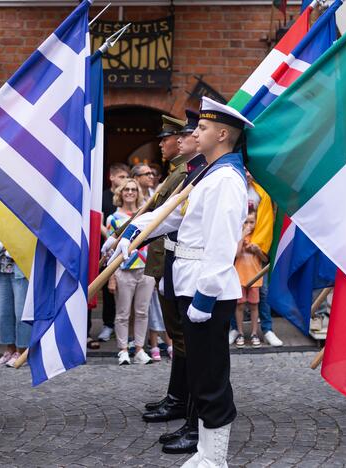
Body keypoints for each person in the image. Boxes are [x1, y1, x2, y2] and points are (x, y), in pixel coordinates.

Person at [110, 97, 252, 466]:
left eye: (203, 128)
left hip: (207, 289)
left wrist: (204, 298)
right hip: (191, 283)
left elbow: (221, 246)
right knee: (203, 377)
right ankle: (205, 452)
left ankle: (214, 458)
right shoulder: (208, 173)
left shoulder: (224, 179)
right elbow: (172, 217)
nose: (196, 133)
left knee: (211, 379)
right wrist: (134, 233)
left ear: (223, 134)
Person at [229, 170, 281, 347]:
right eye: (244, 169)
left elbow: (266, 220)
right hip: (237, 247)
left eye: (251, 169)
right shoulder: (232, 190)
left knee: (262, 295)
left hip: (257, 251)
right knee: (234, 297)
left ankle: (266, 329)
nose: (248, 173)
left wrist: (258, 245)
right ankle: (235, 329)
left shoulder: (261, 193)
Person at [107, 178, 156, 365]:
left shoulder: (145, 214)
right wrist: (111, 276)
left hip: (145, 269)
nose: (130, 192)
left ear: (138, 192)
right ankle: (122, 350)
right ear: (120, 193)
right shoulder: (113, 218)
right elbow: (111, 251)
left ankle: (139, 349)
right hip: (123, 269)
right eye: (126, 189)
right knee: (122, 312)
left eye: (133, 189)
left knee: (143, 312)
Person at [97, 163, 131, 343]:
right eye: (122, 177)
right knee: (109, 287)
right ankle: (108, 324)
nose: (125, 181)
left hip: (129, 248)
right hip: (109, 247)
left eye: (127, 177)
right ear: (112, 177)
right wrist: (113, 238)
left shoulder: (131, 196)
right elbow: (100, 221)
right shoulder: (102, 196)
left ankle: (128, 330)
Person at [0, 231, 31, 367]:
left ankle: (22, 351)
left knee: (20, 313)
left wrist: (6, 246)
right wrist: (6, 246)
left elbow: (27, 243)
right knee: (4, 313)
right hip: (2, 271)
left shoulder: (26, 216)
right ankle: (9, 350)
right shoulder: (1, 217)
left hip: (21, 272)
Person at [233, 210, 267, 348]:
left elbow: (265, 259)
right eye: (245, 222)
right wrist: (242, 236)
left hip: (255, 276)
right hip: (239, 277)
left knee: (254, 306)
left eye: (251, 222)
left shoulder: (260, 237)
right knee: (239, 305)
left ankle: (254, 333)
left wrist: (258, 250)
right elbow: (235, 254)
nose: (248, 224)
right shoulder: (238, 236)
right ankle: (240, 333)